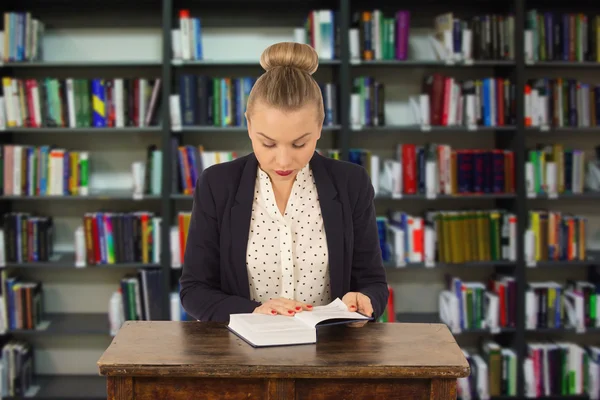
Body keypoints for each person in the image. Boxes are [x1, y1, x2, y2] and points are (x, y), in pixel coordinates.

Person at [179, 41, 389, 326]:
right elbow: (194, 291)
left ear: (320, 128)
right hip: (242, 353)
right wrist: (253, 311)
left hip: (331, 353)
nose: (283, 161)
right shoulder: (217, 184)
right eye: (267, 143)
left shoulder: (351, 183)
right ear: (249, 126)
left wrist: (365, 300)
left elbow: (373, 282)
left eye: (299, 143)